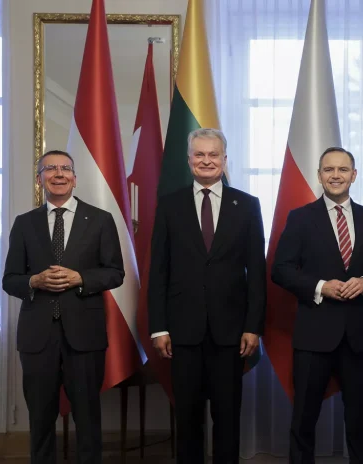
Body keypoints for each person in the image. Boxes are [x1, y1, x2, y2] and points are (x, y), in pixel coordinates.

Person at [271, 147, 363, 464]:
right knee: (304, 417)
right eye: (329, 170)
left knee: (359, 418)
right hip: (314, 335)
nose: (336, 175)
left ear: (354, 175)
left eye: (343, 170)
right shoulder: (300, 218)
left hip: (358, 336)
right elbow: (280, 270)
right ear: (319, 176)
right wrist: (320, 286)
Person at [148, 128, 266, 464]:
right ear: (189, 160)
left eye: (213, 155)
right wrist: (159, 327)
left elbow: (257, 273)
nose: (206, 161)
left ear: (225, 160)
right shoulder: (169, 205)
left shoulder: (247, 205)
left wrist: (253, 326)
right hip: (182, 332)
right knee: (188, 419)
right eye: (199, 154)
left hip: (231, 333)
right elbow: (158, 271)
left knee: (227, 417)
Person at [2, 149, 124, 464]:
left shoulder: (100, 220)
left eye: (65, 168)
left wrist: (81, 277)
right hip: (37, 338)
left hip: (84, 336)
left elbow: (115, 273)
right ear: (39, 178)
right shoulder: (25, 223)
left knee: (88, 418)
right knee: (40, 418)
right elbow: (10, 279)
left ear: (75, 178)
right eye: (50, 168)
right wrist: (34, 281)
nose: (59, 174)